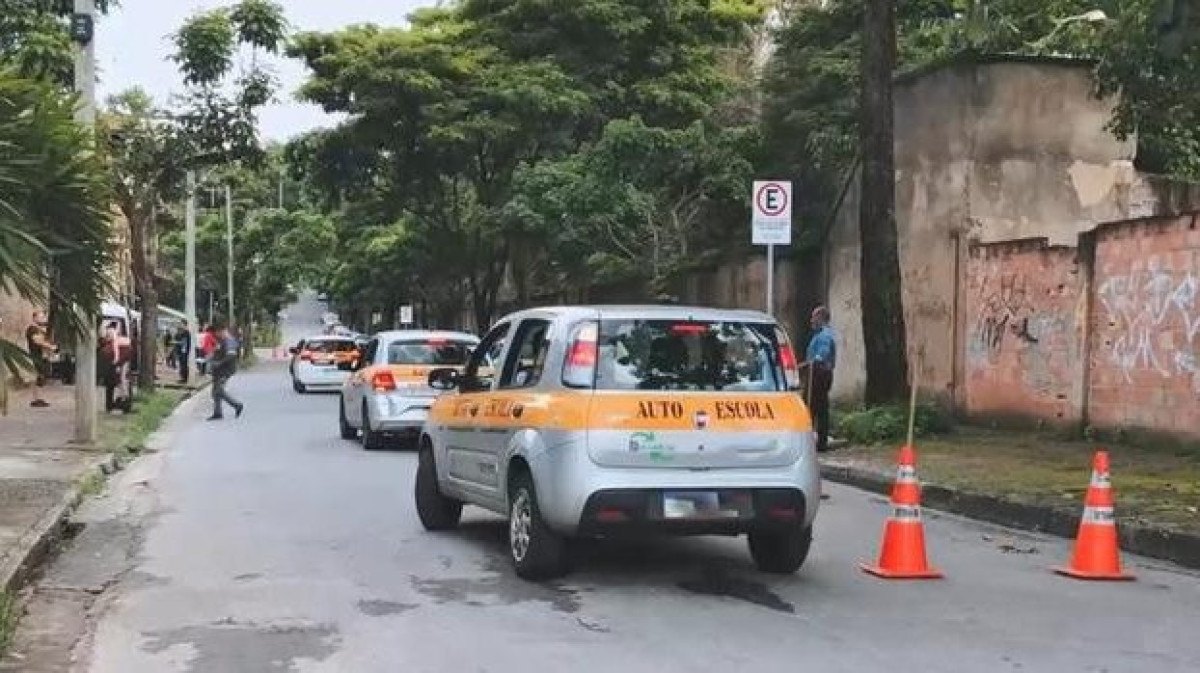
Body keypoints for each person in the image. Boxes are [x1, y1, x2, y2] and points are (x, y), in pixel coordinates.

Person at [804, 306, 837, 453]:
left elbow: (823, 353)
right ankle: (819, 441)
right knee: (820, 407)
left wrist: (814, 361)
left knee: (811, 406)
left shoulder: (824, 335)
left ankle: (811, 441)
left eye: (813, 317)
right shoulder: (819, 335)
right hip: (818, 372)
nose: (811, 320)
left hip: (819, 373)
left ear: (821, 318)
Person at [207, 323, 244, 421]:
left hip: (225, 370)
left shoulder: (230, 341)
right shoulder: (222, 341)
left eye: (217, 333)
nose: (216, 335)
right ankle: (217, 412)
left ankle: (237, 405)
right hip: (218, 370)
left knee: (218, 390)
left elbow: (231, 355)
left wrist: (219, 362)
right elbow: (218, 352)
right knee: (215, 392)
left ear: (223, 331)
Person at [24, 311, 55, 408]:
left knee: (40, 377)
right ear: (34, 318)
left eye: (43, 317)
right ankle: (36, 399)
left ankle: (37, 398)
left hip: (40, 356)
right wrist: (51, 347)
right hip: (36, 356)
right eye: (40, 317)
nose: (42, 319)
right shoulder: (32, 329)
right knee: (38, 377)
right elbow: (37, 341)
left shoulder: (38, 329)